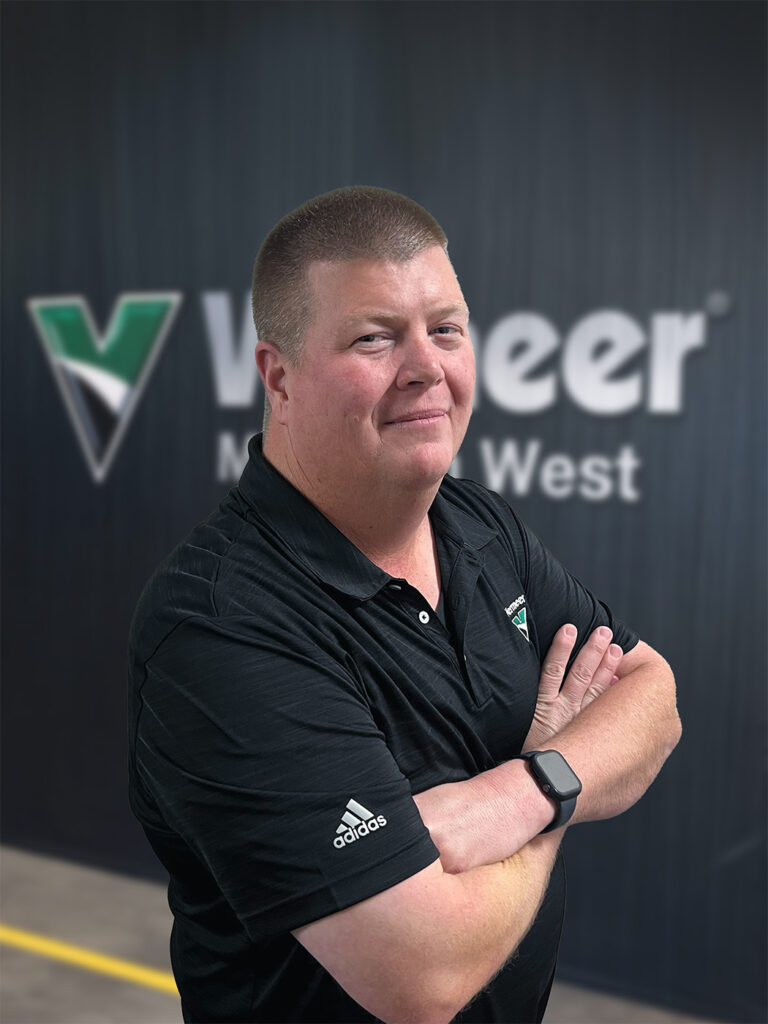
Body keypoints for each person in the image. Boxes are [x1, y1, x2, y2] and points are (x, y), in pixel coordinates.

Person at [128, 186, 681, 1024]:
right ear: (278, 376)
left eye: (446, 328)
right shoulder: (219, 625)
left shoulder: (482, 527)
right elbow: (423, 974)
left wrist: (524, 791)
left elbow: (653, 696)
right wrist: (563, 793)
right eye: (374, 337)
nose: (427, 367)